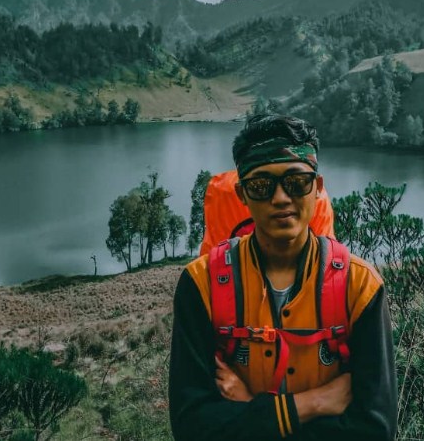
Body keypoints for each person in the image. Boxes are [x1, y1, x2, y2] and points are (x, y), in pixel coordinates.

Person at [169, 113, 397, 441]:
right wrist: (310, 404)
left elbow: (376, 430)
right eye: (262, 186)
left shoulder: (359, 286)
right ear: (242, 194)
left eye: (296, 182)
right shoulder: (201, 284)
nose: (280, 198)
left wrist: (249, 410)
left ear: (317, 188)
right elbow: (191, 426)